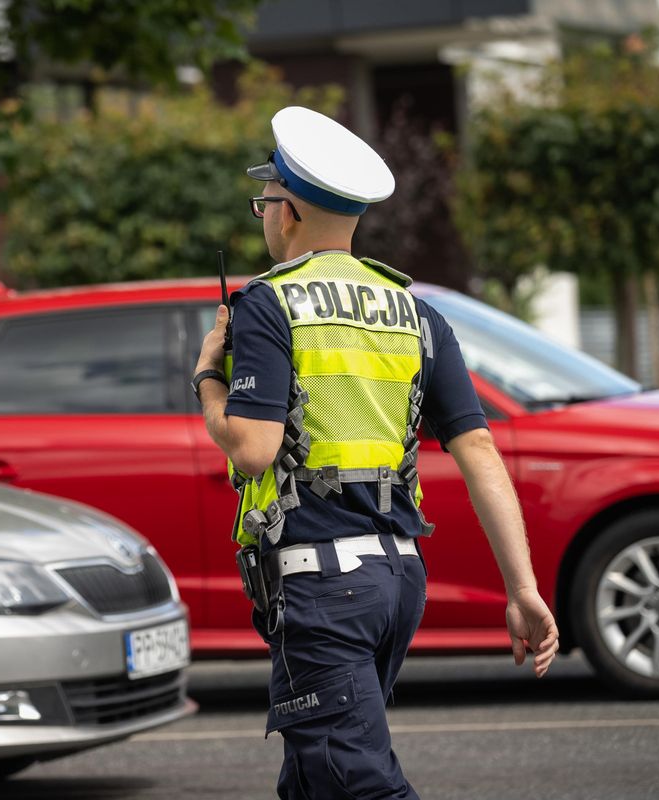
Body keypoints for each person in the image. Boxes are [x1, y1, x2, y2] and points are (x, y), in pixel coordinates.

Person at [191, 106, 560, 799]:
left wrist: (210, 381)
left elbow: (253, 449)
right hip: (397, 582)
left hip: (324, 588)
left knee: (353, 779)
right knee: (313, 778)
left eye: (263, 201)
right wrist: (522, 589)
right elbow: (478, 447)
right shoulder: (415, 311)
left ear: (289, 211)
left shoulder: (270, 306)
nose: (261, 214)